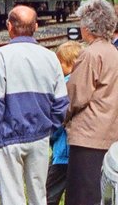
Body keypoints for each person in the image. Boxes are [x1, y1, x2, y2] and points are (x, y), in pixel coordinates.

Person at [0, 4, 68, 205]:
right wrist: (48, 129)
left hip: (7, 140)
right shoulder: (50, 57)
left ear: (9, 26)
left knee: (12, 198)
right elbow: (61, 104)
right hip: (39, 138)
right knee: (39, 196)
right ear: (36, 26)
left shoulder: (0, 56)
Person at [63, 0, 118, 205]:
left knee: (81, 196)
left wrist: (61, 117)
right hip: (111, 133)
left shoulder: (90, 54)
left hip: (88, 137)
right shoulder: (113, 51)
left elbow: (76, 95)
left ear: (88, 26)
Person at [48, 40, 84, 205]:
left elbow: (58, 118)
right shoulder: (85, 83)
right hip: (80, 151)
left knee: (48, 194)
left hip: (63, 152)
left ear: (71, 64)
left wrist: (49, 136)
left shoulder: (65, 85)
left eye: (60, 63)